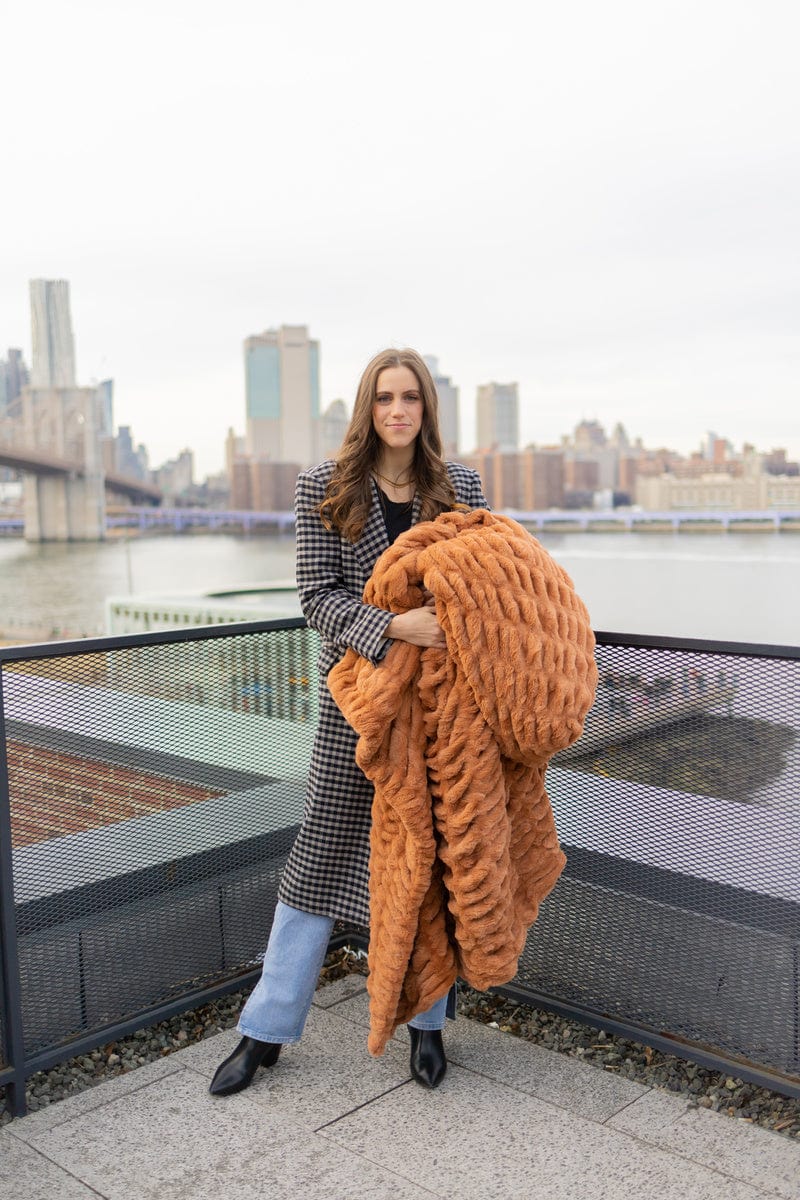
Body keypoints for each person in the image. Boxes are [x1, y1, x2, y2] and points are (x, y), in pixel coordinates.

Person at [210, 348, 487, 1097]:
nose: (398, 410)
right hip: (354, 707)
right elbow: (316, 597)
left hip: (435, 711)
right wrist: (397, 627)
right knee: (318, 858)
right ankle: (264, 1031)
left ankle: (427, 1024)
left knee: (427, 861)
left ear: (427, 408)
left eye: (411, 398)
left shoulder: (460, 488)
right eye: (385, 398)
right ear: (368, 408)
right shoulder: (323, 486)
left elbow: (483, 586)